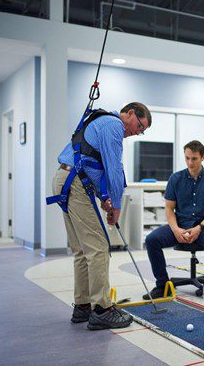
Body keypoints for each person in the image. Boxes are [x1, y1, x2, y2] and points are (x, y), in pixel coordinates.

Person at [51, 102, 151, 330]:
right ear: (131, 113)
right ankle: (102, 309)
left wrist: (103, 197)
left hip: (65, 180)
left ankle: (83, 306)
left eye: (143, 130)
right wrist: (116, 205)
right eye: (140, 125)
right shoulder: (114, 125)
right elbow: (114, 169)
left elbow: (92, 165)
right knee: (98, 248)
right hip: (74, 183)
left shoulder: (102, 123)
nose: (138, 131)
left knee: (82, 250)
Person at [144, 140, 204, 303]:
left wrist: (199, 227)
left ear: (203, 157)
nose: (190, 162)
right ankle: (162, 286)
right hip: (179, 226)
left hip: (203, 227)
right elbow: (169, 209)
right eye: (187, 158)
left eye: (194, 158)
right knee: (151, 240)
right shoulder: (175, 179)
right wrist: (175, 229)